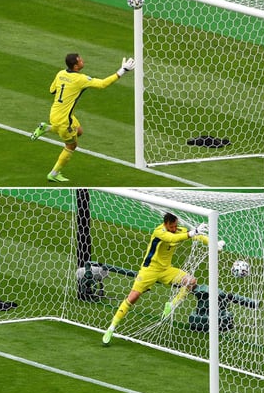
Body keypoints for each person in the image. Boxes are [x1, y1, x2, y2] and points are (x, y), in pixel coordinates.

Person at [102, 213, 225, 346]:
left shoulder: (179, 230)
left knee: (191, 281)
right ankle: (111, 328)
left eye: (175, 226)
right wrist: (191, 233)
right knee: (133, 297)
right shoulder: (159, 231)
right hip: (149, 270)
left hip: (166, 270)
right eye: (171, 226)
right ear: (165, 224)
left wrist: (213, 244)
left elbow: (199, 236)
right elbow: (171, 238)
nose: (174, 228)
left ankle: (171, 304)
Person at [30, 53, 135, 183]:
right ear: (75, 66)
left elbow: (52, 90)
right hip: (64, 121)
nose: (83, 61)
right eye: (80, 60)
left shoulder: (60, 73)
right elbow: (102, 84)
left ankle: (46, 128)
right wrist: (122, 70)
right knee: (71, 146)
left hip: (55, 113)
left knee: (79, 131)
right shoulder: (81, 79)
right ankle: (54, 173)